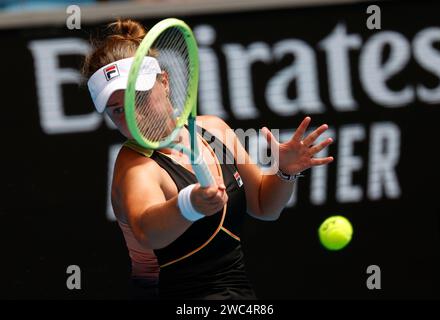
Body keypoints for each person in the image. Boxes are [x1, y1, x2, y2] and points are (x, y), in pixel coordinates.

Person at [82, 18, 334, 300]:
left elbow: (264, 206)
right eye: (117, 109)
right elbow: (147, 231)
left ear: (164, 82)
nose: (132, 115)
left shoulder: (214, 130)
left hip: (237, 293)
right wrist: (189, 204)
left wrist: (284, 172)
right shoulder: (135, 168)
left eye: (138, 97)